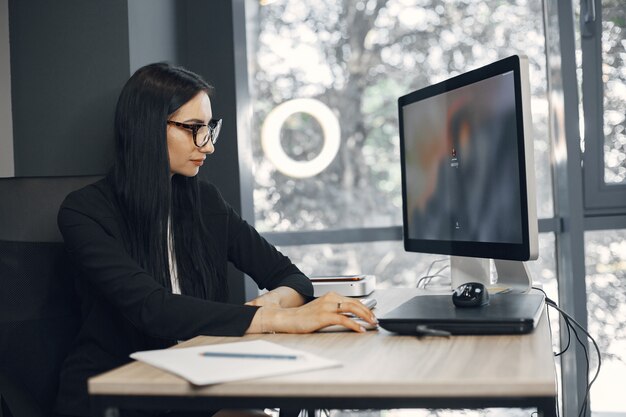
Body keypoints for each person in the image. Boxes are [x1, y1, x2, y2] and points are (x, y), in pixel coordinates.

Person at [54, 63, 378, 417]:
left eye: (209, 129)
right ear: (146, 128)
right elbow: (153, 309)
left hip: (199, 386)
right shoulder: (84, 212)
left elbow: (290, 276)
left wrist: (271, 305)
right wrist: (282, 319)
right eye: (194, 129)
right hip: (116, 395)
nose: (207, 147)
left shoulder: (204, 201)